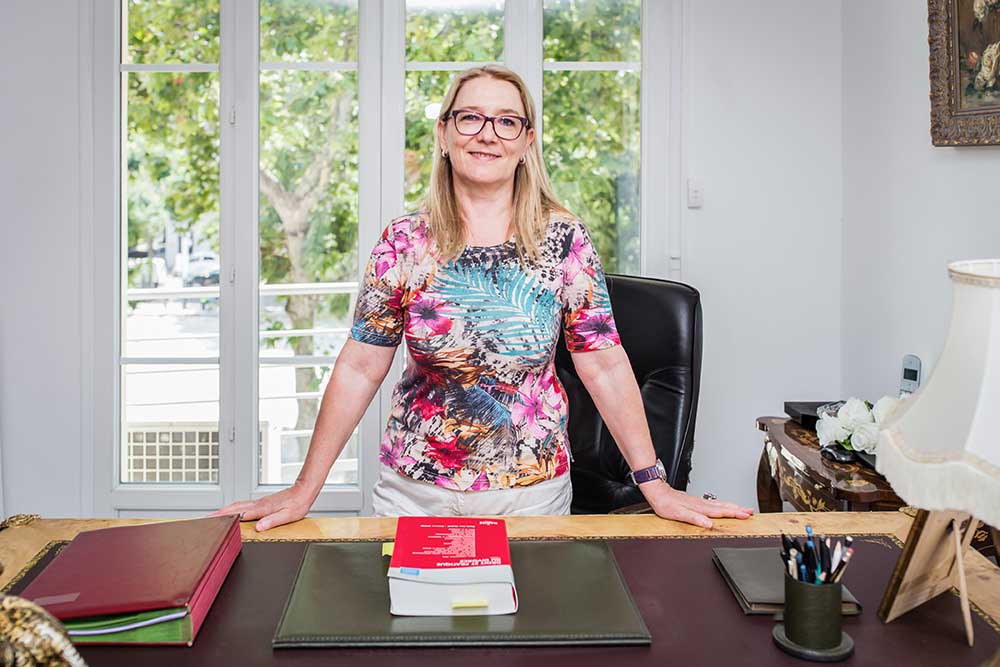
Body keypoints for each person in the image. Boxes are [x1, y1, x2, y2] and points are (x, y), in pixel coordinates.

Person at [212, 65, 753, 529]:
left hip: (530, 496)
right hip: (413, 496)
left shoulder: (564, 241)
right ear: (444, 134)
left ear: (526, 141)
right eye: (469, 117)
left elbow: (606, 367)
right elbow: (359, 366)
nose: (486, 134)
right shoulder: (404, 242)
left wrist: (655, 485)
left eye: (506, 121)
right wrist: (305, 488)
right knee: (409, 643)